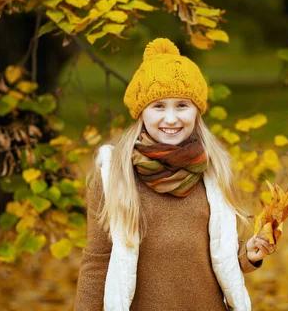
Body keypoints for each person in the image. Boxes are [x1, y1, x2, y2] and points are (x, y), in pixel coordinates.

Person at [75, 38, 275, 311]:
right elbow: (97, 261)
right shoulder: (115, 174)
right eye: (159, 106)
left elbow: (218, 251)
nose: (171, 119)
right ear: (141, 112)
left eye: (182, 105)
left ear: (197, 111)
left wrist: (248, 253)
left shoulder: (213, 169)